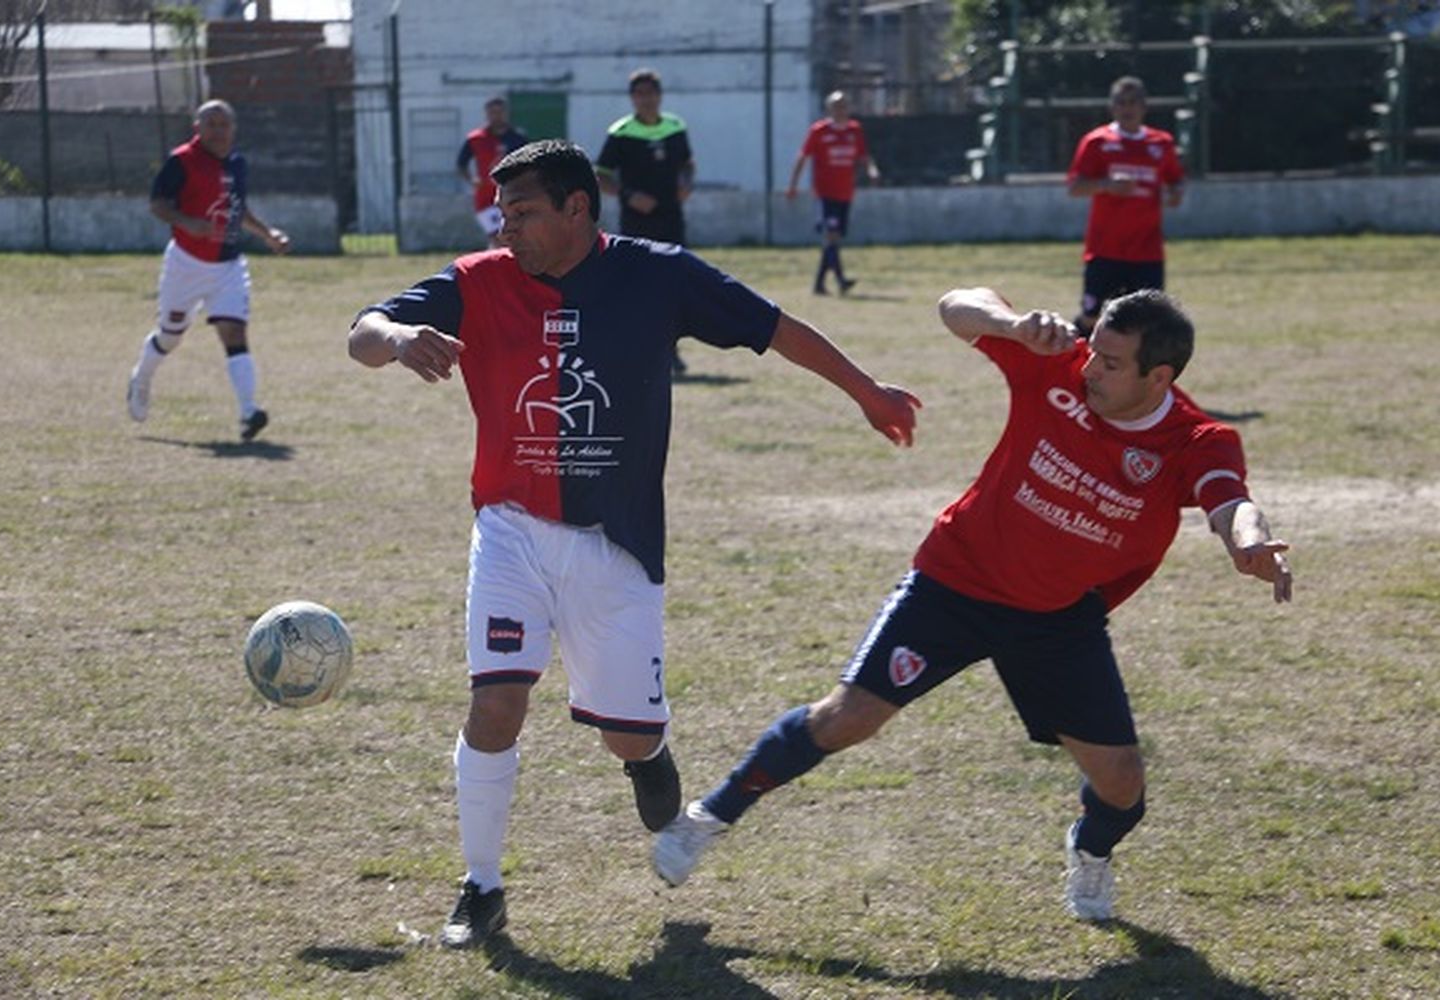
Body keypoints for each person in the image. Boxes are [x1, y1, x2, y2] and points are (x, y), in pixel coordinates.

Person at [348, 139, 920, 948]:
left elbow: (775, 328)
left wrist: (866, 390)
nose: (505, 227)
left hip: (616, 549)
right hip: (510, 532)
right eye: (501, 213)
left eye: (524, 212)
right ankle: (481, 887)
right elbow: (364, 330)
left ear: (578, 207)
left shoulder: (660, 274)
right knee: (495, 703)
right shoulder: (477, 279)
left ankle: (646, 756)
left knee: (628, 735)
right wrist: (399, 339)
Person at [655, 286, 1293, 923]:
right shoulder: (1054, 362)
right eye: (1094, 350)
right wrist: (1013, 326)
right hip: (956, 583)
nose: (1091, 369)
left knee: (1123, 785)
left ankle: (1090, 850)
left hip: (1056, 616)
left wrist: (1251, 541)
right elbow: (954, 306)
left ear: (1160, 376)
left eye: (1111, 363)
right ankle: (709, 816)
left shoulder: (1195, 439)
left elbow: (1229, 500)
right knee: (846, 717)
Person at [125, 99, 290, 441]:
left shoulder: (237, 164)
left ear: (234, 129)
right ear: (197, 128)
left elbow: (237, 209)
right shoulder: (181, 160)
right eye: (210, 124)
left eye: (224, 124)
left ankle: (249, 412)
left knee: (234, 332)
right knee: (170, 337)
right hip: (185, 264)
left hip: (228, 266)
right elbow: (158, 204)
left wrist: (268, 233)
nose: (218, 131)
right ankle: (141, 379)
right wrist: (187, 223)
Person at [595, 67, 695, 376]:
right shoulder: (621, 132)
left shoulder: (675, 127)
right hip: (637, 221)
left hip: (671, 218)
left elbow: (688, 164)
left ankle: (671, 349)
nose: (646, 99)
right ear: (632, 98)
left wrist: (686, 184)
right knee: (637, 285)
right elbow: (601, 174)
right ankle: (638, 349)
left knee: (673, 282)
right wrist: (628, 195)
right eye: (639, 94)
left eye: (650, 92)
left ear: (659, 95)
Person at [1067, 76, 1186, 336]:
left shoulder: (1160, 144)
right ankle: (1071, 367)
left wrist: (1175, 194)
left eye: (1133, 102)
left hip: (1147, 252)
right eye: (1121, 102)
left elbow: (1176, 181)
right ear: (1112, 107)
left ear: (1144, 107)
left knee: (1147, 323)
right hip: (1104, 249)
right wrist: (1107, 185)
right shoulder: (1097, 142)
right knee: (1092, 318)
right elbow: (1075, 187)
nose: (1127, 108)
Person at [787, 90, 880, 296]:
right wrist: (793, 185)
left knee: (833, 239)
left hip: (845, 193)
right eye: (836, 106)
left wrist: (872, 170)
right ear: (829, 109)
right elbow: (802, 158)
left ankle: (819, 284)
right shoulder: (819, 131)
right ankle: (840, 280)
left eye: (844, 105)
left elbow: (864, 156)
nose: (840, 110)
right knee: (831, 235)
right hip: (825, 193)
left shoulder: (855, 130)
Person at [457, 96, 529, 246]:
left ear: (506, 113)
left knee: (512, 236)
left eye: (500, 112)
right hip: (485, 198)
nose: (497, 116)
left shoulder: (518, 138)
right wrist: (471, 180)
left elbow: (529, 164)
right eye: (493, 112)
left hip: (511, 195)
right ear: (487, 114)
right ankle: (498, 264)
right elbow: (461, 164)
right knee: (497, 236)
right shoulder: (476, 138)